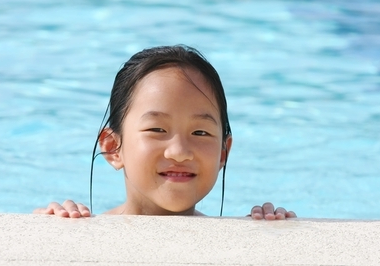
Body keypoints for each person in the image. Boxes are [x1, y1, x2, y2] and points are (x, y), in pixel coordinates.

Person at [34, 45, 296, 220]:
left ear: (223, 153)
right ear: (113, 147)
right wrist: (48, 221)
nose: (180, 152)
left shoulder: (235, 240)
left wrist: (273, 231)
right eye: (157, 129)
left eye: (201, 133)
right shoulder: (88, 230)